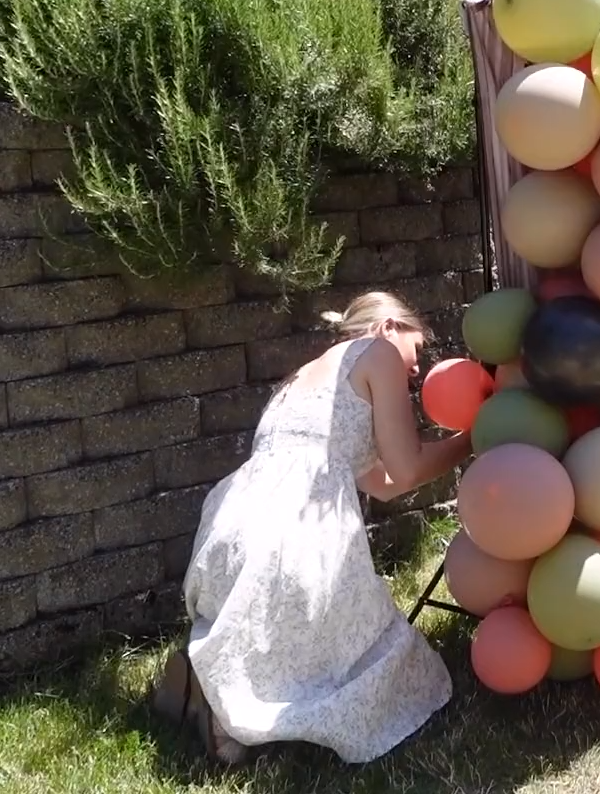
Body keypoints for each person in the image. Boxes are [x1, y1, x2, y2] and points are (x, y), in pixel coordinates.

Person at [150, 292, 472, 763]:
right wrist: (470, 440)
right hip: (296, 532)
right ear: (387, 327)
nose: (417, 369)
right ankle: (230, 713)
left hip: (237, 522)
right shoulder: (377, 353)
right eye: (417, 350)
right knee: (393, 664)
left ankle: (211, 680)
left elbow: (379, 484)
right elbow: (405, 469)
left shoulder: (306, 376)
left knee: (286, 630)